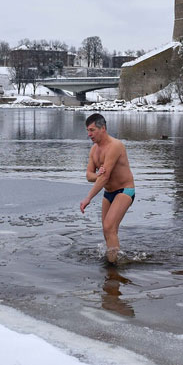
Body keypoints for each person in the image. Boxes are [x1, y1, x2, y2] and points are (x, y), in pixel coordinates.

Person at [80, 113, 135, 264]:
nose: (89, 134)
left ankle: (113, 266)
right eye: (88, 131)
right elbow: (89, 175)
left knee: (109, 226)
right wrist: (97, 175)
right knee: (107, 231)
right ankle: (115, 258)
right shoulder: (94, 150)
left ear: (102, 128)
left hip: (125, 190)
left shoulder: (115, 146)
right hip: (108, 193)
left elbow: (105, 176)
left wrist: (88, 198)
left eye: (92, 130)